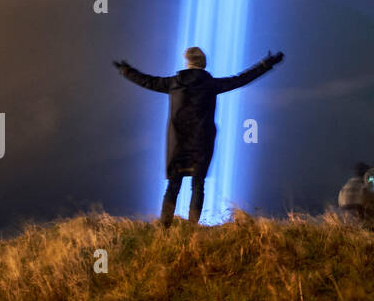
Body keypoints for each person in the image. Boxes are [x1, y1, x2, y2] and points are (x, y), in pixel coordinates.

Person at [114, 46, 284, 227]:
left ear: (187, 62)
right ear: (204, 64)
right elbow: (241, 79)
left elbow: (146, 81)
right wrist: (266, 64)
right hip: (202, 142)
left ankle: (164, 228)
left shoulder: (173, 83)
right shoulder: (211, 85)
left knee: (173, 185)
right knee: (198, 185)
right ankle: (192, 228)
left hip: (178, 142)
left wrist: (126, 70)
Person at [338, 162, 374, 230]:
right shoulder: (367, 188)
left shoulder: (344, 188)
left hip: (345, 224)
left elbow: (340, 204)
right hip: (364, 226)